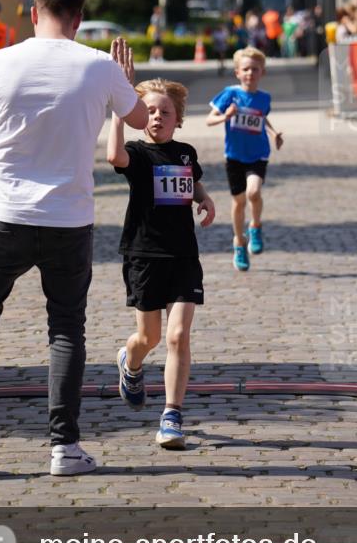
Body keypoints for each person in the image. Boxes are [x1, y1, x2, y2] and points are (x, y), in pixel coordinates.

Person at [0, 0, 149, 477]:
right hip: (69, 218)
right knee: (66, 328)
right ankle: (64, 447)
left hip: (4, 214)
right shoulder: (100, 65)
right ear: (78, 19)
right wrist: (121, 81)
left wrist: (3, 137)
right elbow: (144, 115)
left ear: (33, 11)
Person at [107, 66, 215, 449]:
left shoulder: (186, 152)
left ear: (178, 119)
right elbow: (113, 155)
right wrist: (120, 111)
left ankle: (172, 415)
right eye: (149, 111)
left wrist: (203, 198)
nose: (156, 117)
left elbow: (193, 175)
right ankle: (130, 362)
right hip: (144, 255)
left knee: (178, 335)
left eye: (164, 112)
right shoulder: (137, 153)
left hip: (183, 255)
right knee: (148, 337)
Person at [206, 46, 283, 272]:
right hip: (234, 156)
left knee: (253, 192)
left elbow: (262, 120)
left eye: (255, 69)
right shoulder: (230, 94)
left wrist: (274, 133)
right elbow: (209, 119)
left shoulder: (264, 98)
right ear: (238, 72)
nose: (250, 73)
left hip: (258, 154)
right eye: (246, 69)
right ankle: (239, 242)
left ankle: (256, 226)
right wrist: (225, 117)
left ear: (262, 73)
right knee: (239, 202)